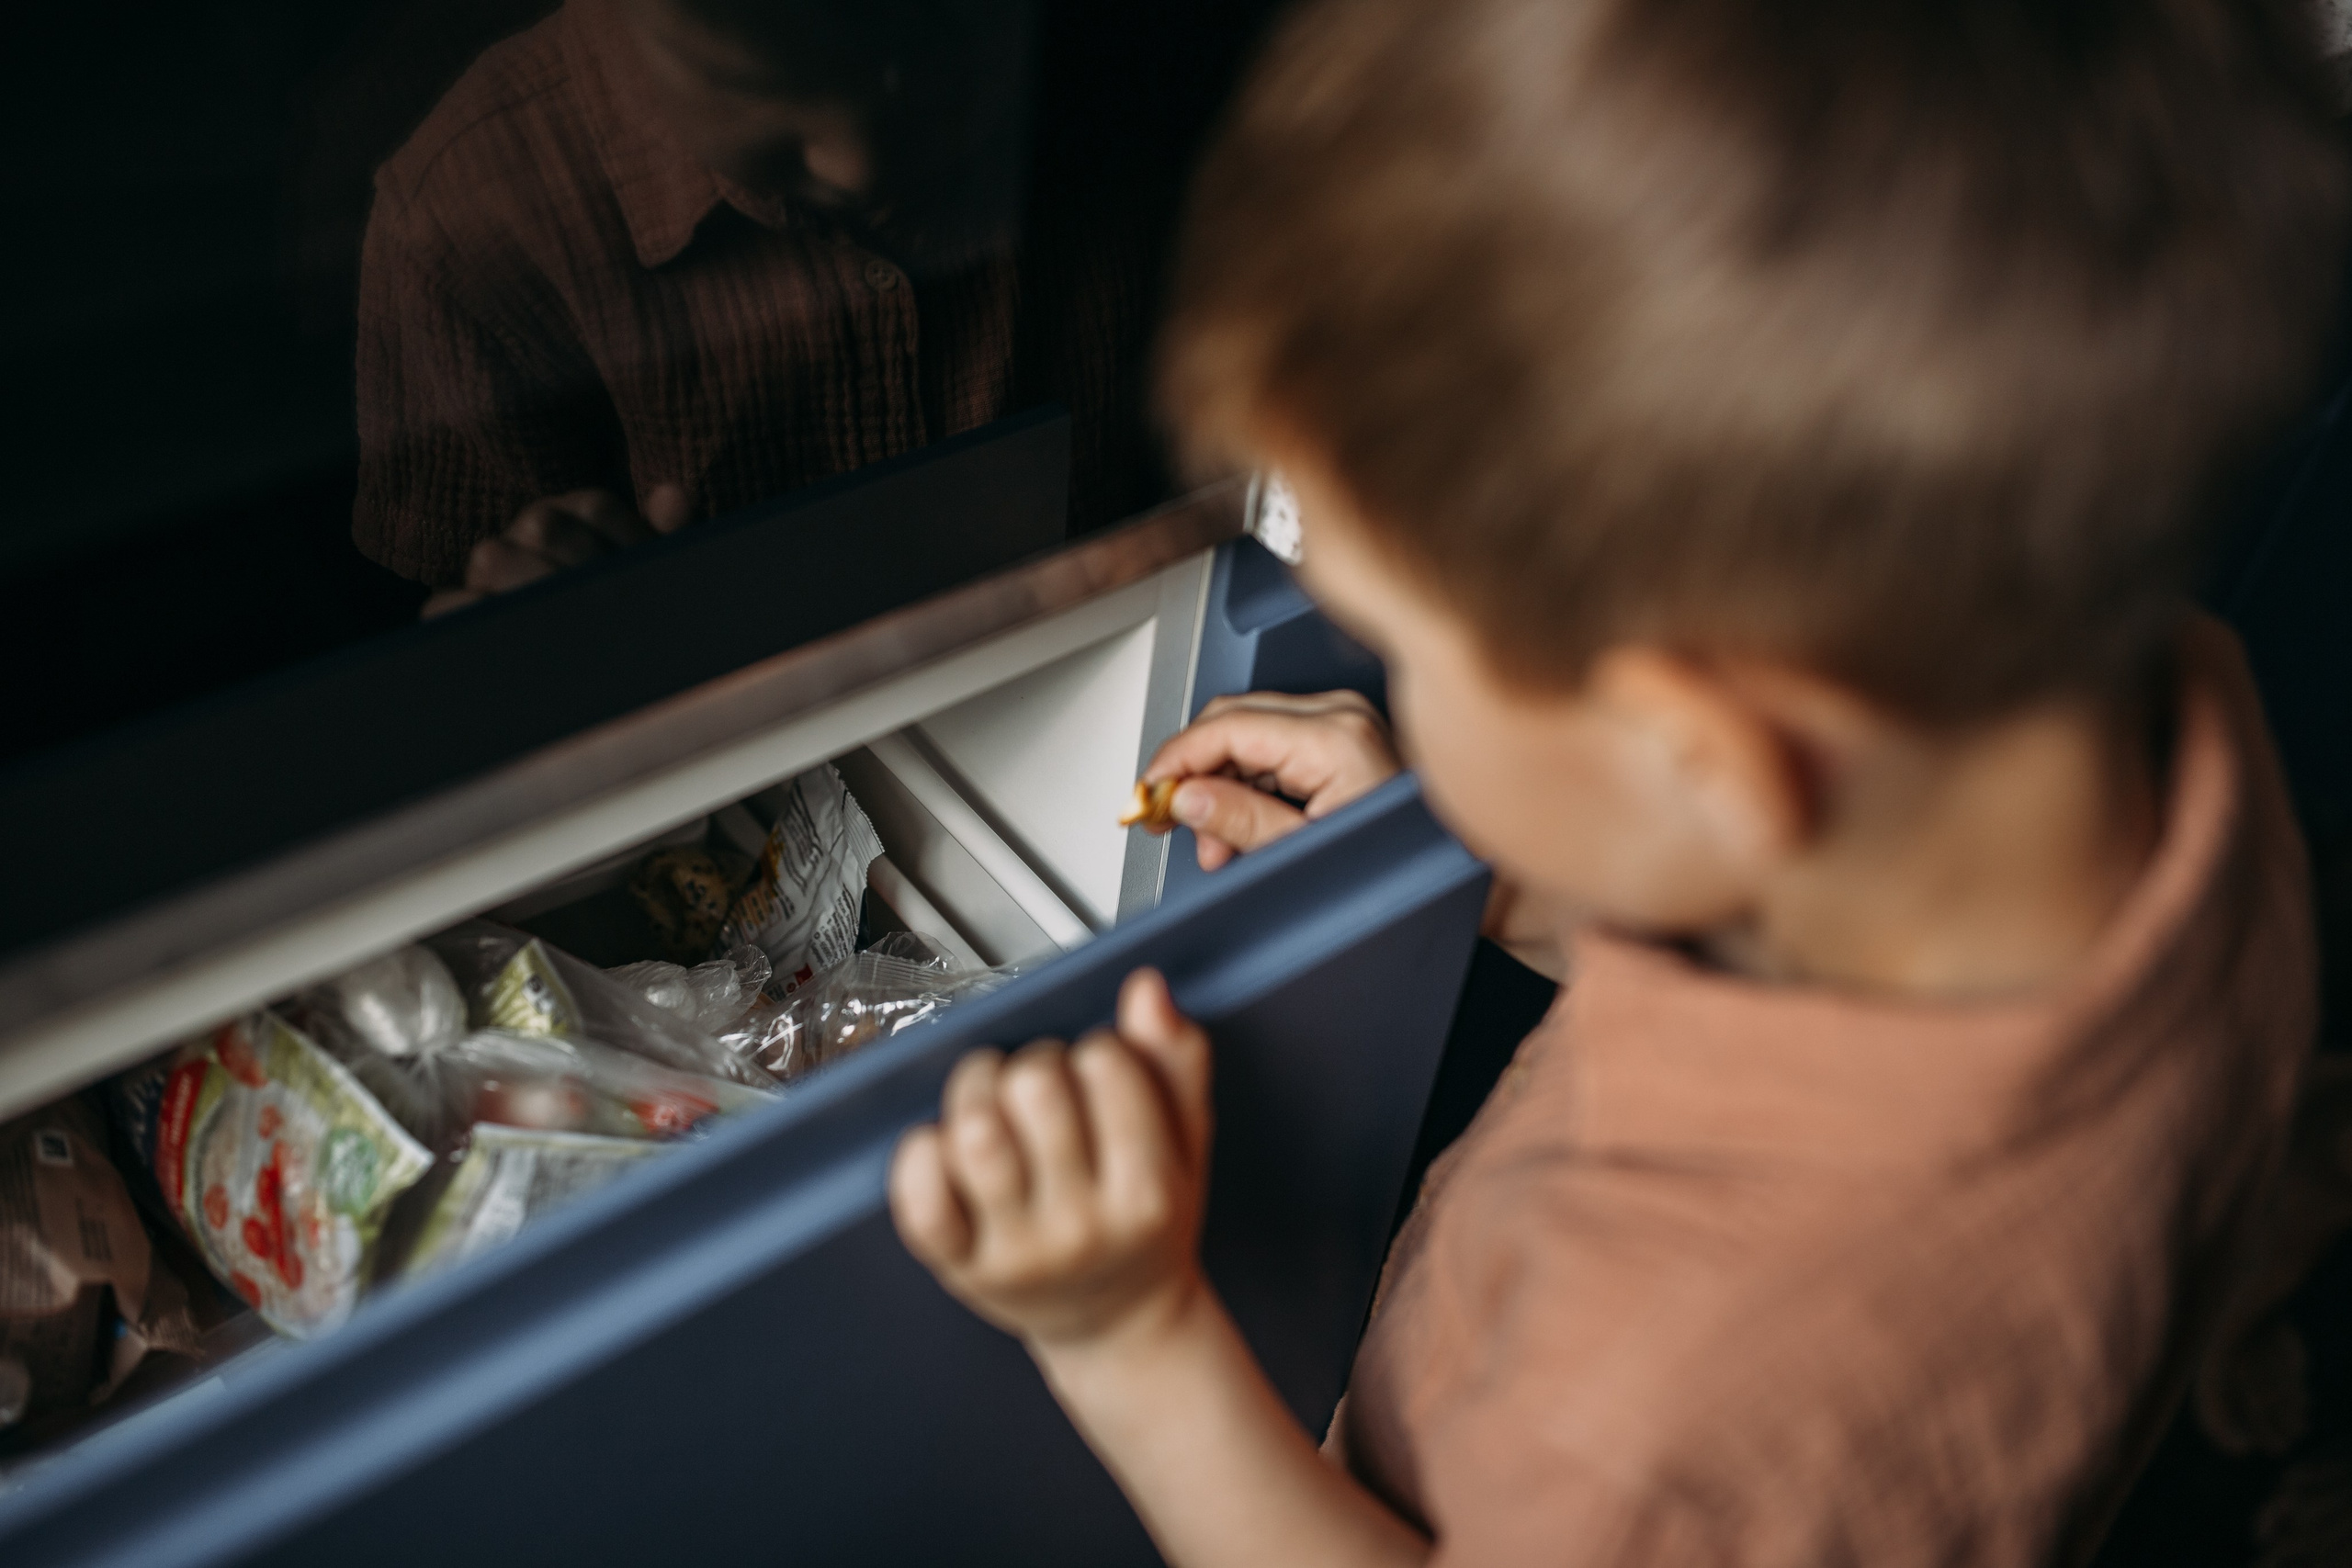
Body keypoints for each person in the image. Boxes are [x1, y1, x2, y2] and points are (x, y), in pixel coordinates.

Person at [882, 0, 2352, 1562]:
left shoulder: (1651, 1390)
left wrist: (1131, 1335)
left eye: (1414, 650)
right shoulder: (2168, 722)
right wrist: (1527, 888)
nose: (1400, 688)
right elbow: (1825, 980)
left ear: (1699, 760)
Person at [353, 0, 1167, 611]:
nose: (858, 167)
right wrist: (531, 640)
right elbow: (446, 692)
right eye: (744, 83)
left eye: (927, 51)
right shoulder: (461, 228)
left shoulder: (1138, 43)